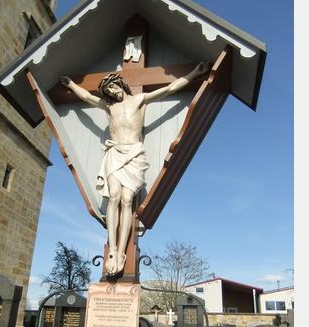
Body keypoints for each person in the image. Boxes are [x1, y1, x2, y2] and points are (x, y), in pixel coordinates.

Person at [59, 61, 210, 275]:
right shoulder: (109, 106)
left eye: (114, 86)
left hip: (134, 153)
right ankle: (112, 248)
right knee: (113, 197)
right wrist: (72, 85)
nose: (112, 91)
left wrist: (195, 73)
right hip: (114, 153)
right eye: (108, 90)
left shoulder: (139, 100)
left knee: (127, 200)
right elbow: (86, 97)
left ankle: (122, 250)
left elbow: (169, 88)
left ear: (121, 84)